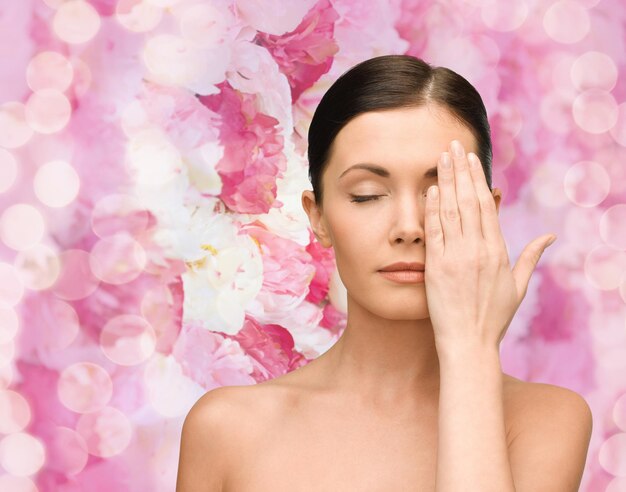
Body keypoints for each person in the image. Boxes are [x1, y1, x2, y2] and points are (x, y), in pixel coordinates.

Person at [176, 55, 592, 491]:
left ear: (486, 213)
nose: (409, 228)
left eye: (440, 195)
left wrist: (471, 346)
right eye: (368, 195)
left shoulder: (545, 420)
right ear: (318, 218)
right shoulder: (226, 428)